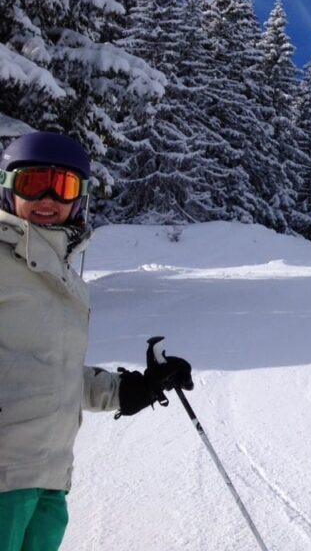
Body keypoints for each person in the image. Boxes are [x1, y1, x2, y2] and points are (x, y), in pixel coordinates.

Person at [0, 131, 193, 551]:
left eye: (63, 186)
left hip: (49, 481)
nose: (49, 197)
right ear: (8, 188)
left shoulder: (66, 277)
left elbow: (52, 371)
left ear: (80, 197)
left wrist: (132, 389)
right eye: (33, 183)